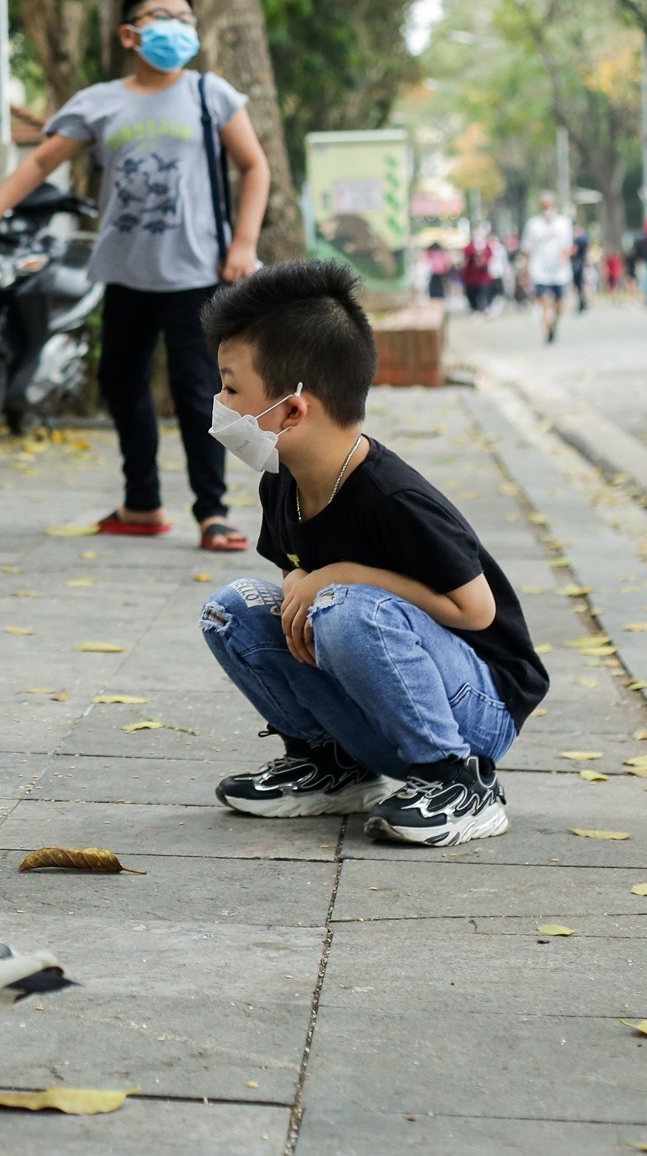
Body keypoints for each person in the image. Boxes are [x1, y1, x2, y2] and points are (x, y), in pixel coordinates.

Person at [198, 260, 544, 847]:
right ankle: (335, 764)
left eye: (232, 388)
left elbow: (476, 611)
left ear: (292, 409)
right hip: (379, 685)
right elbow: (295, 567)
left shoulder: (394, 498)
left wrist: (341, 576)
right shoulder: (283, 478)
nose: (219, 402)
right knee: (233, 609)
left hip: (478, 707)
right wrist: (303, 580)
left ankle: (458, 781)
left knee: (344, 607)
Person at [0, 0, 270, 553]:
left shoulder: (210, 94)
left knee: (197, 389)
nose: (177, 26)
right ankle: (142, 504)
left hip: (198, 271)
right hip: (125, 270)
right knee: (120, 383)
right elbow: (43, 160)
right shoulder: (101, 102)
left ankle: (213, 511)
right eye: (162, 16)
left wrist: (243, 243)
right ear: (130, 33)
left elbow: (255, 166)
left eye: (185, 17)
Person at [519, 193, 573, 343]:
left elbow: (568, 246)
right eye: (544, 206)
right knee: (545, 303)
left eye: (550, 205)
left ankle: (554, 324)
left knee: (560, 305)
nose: (547, 209)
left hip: (560, 272)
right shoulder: (533, 225)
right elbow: (527, 249)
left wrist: (563, 258)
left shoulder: (564, 223)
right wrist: (526, 270)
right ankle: (547, 328)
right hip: (540, 271)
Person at [460, 228, 495, 313]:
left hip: (483, 276)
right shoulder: (469, 247)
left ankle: (485, 308)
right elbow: (466, 253)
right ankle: (474, 308)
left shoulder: (487, 246)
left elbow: (490, 256)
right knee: (472, 293)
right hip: (471, 276)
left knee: (484, 292)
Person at [570, 222, 590, 312]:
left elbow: (573, 251)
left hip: (576, 263)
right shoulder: (585, 238)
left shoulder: (578, 239)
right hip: (582, 262)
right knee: (582, 284)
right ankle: (584, 301)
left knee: (578, 284)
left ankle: (582, 302)